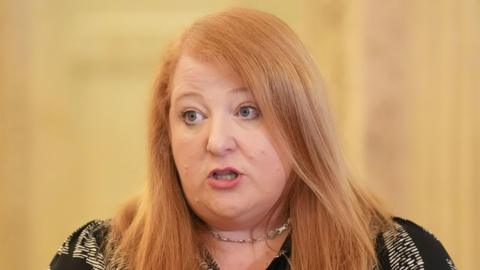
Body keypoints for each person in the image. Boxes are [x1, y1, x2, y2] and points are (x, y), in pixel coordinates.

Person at [49, 7, 456, 270]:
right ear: (165, 137)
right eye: (192, 115)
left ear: (301, 124)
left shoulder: (399, 256)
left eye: (247, 111)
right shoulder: (99, 256)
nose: (217, 141)